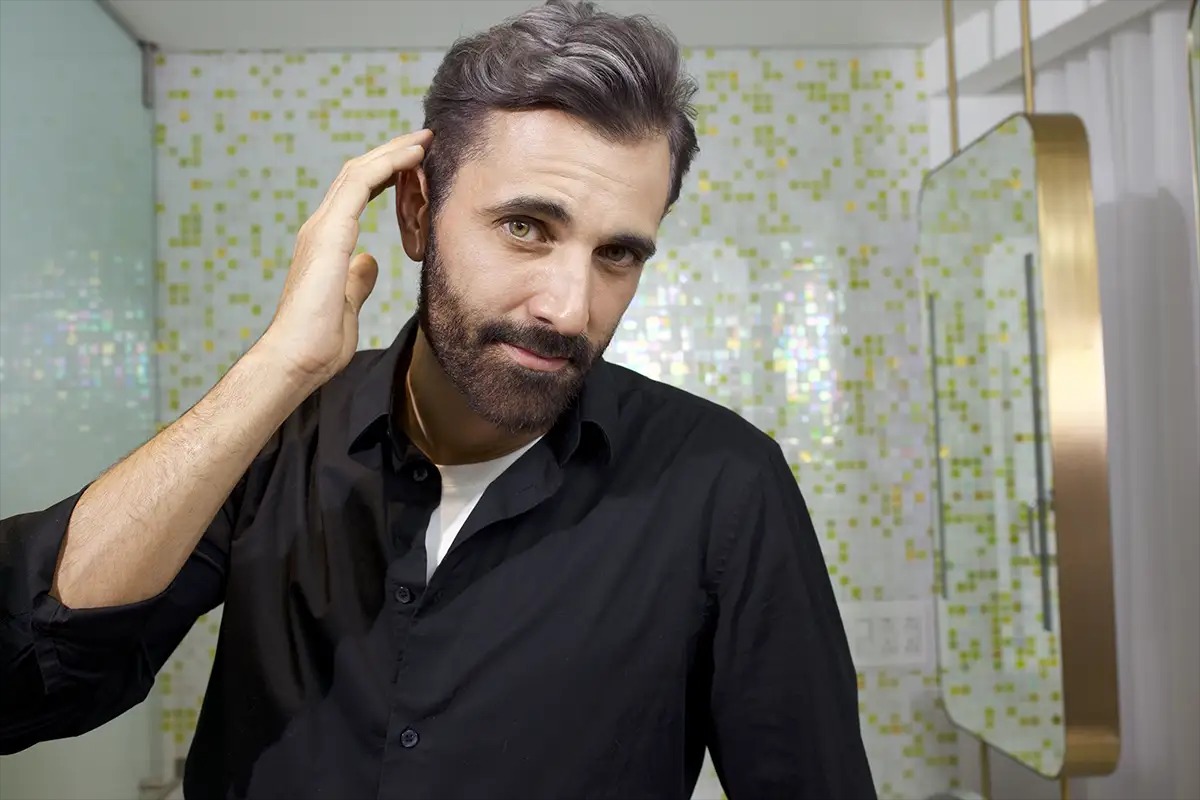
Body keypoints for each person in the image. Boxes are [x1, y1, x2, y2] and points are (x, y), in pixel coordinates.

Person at [0, 1, 875, 797]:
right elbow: (27, 681)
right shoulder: (280, 433)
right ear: (417, 214)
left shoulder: (727, 484)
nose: (570, 309)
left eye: (617, 254)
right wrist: (278, 369)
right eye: (525, 227)